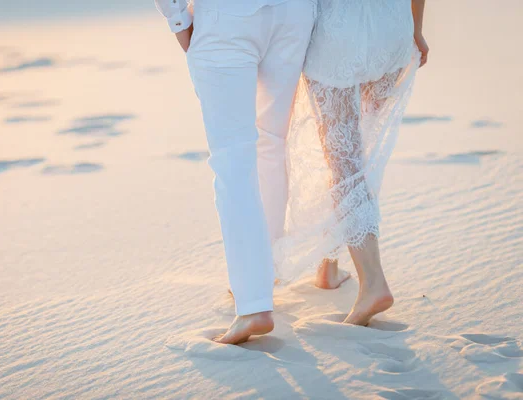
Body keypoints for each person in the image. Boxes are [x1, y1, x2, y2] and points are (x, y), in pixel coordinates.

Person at [154, 0, 317, 344]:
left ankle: (254, 303)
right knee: (271, 144)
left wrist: (178, 21)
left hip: (227, 17)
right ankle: (265, 272)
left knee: (233, 161)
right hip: (295, 14)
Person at [274, 0, 429, 326]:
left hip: (339, 35)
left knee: (345, 161)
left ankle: (373, 283)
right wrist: (416, 27)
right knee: (362, 152)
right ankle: (328, 266)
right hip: (393, 31)